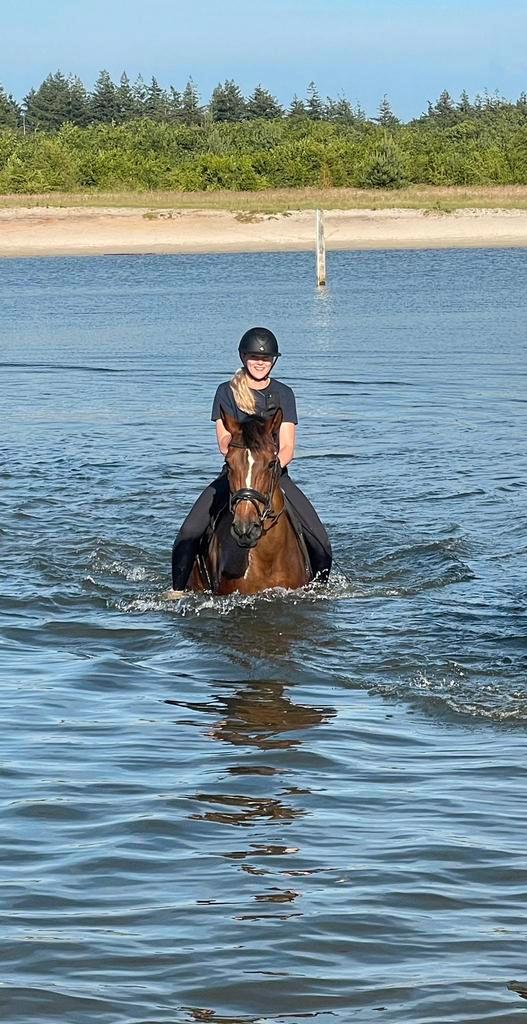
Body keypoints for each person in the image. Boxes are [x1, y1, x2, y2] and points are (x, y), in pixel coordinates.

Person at [169, 327, 332, 595]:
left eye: (266, 358)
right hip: (236, 473)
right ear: (243, 357)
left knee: (320, 540)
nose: (260, 362)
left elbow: (288, 445)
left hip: (273, 473)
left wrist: (271, 468)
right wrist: (242, 449)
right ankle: (176, 592)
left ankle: (321, 592)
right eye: (254, 357)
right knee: (188, 532)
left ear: (274, 362)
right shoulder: (226, 392)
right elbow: (224, 442)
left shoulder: (284, 394)